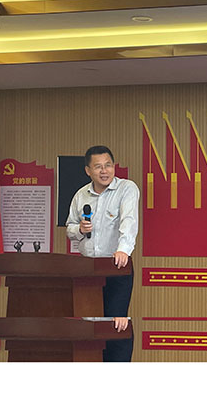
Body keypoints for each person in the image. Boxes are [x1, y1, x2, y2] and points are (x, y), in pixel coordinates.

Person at [66, 145, 139, 362]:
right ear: (88, 171)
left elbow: (129, 221)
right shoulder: (81, 195)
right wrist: (80, 229)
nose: (104, 171)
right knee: (90, 325)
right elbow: (70, 229)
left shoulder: (126, 188)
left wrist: (123, 250)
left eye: (108, 165)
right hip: (87, 270)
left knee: (117, 323)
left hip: (116, 266)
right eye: (98, 167)